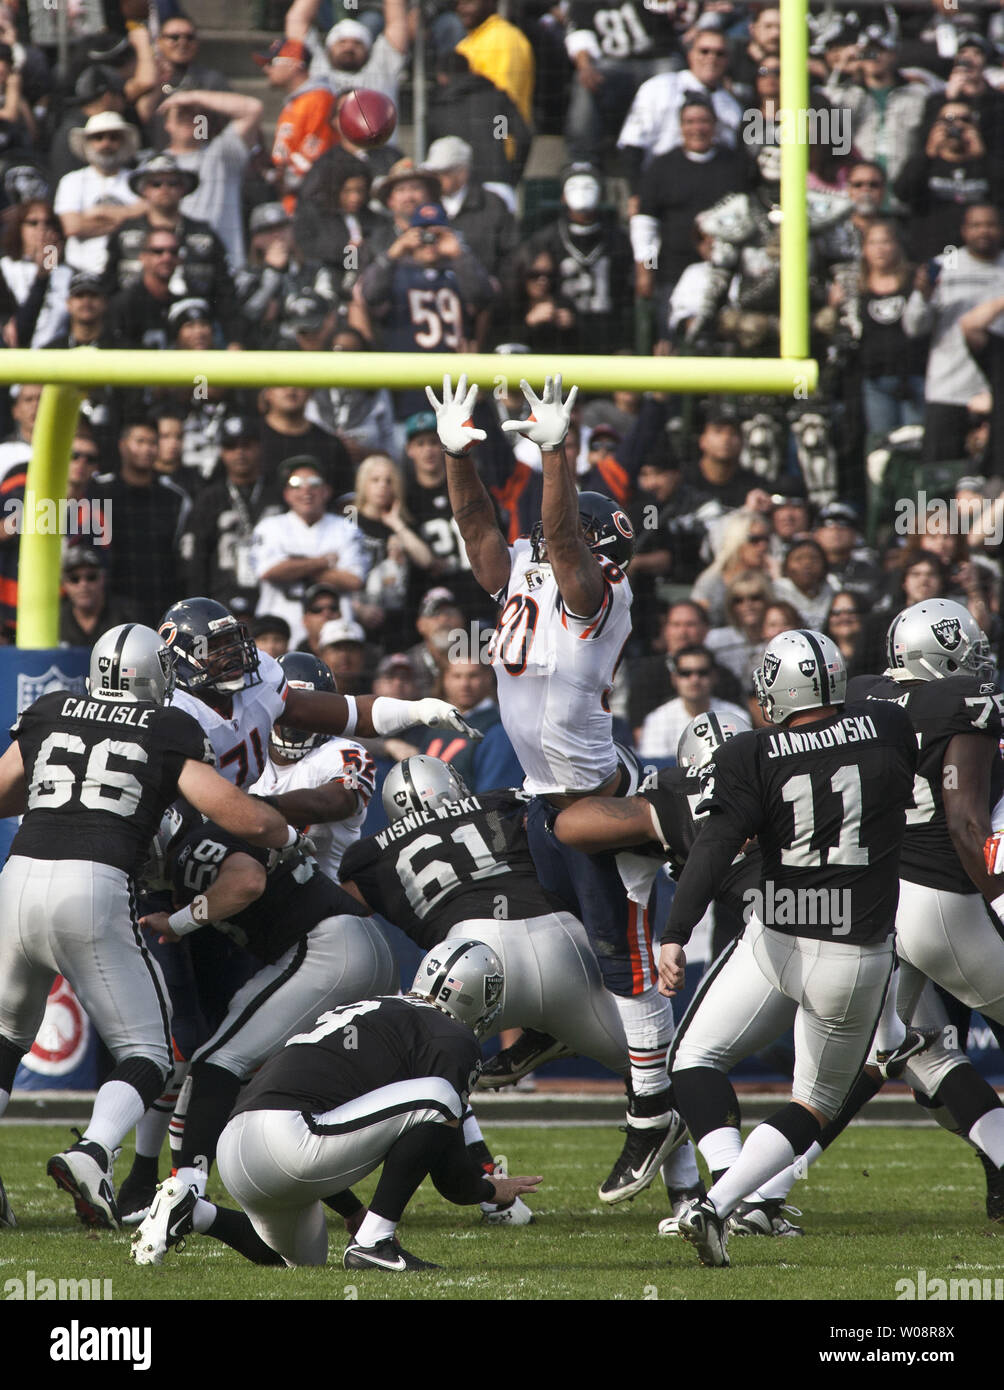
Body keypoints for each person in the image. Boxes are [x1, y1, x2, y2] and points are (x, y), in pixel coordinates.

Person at [427, 372, 687, 1206]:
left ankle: (653, 1111)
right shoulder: (529, 579)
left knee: (627, 963)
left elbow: (565, 541)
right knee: (557, 926)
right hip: (547, 798)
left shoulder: (598, 591)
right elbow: (476, 530)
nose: (537, 546)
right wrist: (457, 456)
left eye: (556, 532)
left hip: (591, 797)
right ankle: (550, 1030)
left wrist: (556, 451)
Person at [0, 623, 294, 1229]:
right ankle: (92, 1151)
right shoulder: (167, 727)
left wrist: (61, 798)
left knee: (5, 1040)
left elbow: (5, 789)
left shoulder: (50, 709)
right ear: (151, 674)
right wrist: (283, 834)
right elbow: (233, 812)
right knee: (149, 1054)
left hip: (17, 878)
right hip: (93, 886)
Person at [658, 629, 917, 1266]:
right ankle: (726, 1204)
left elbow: (716, 846)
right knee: (815, 1104)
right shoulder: (887, 726)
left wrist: (675, 930)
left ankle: (725, 1196)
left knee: (692, 1057)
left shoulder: (752, 750)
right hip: (852, 953)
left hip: (774, 933)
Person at [130, 943, 540, 1272]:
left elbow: (327, 1110)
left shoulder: (381, 1013)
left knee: (300, 1262)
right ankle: (374, 1243)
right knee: (439, 1097)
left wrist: (354, 1208)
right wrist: (489, 1189)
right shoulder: (449, 1035)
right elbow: (449, 1172)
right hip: (290, 1137)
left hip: (241, 1141)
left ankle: (194, 1212)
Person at [250, 456, 369, 646]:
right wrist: (322, 562)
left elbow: (354, 580)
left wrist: (293, 565)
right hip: (279, 634)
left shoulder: (346, 528)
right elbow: (268, 571)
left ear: (327, 491)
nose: (306, 490)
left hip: (334, 636)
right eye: (296, 484)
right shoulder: (269, 527)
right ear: (286, 494)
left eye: (314, 483)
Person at [53, 111, 145, 276]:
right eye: (98, 138)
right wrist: (127, 219)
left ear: (123, 142)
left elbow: (147, 215)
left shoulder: (138, 179)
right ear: (87, 143)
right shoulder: (71, 181)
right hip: (81, 272)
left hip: (128, 270)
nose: (106, 144)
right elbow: (73, 226)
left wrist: (99, 213)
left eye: (113, 138)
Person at [253, 38, 335, 214]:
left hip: (311, 205)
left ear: (294, 64)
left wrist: (278, 177)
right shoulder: (296, 102)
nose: (266, 69)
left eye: (272, 63)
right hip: (290, 204)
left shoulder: (319, 99)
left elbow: (313, 161)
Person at [637, 643, 750, 760]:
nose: (695, 679)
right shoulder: (657, 720)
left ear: (714, 676)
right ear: (674, 679)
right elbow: (653, 767)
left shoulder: (736, 716)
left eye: (702, 672)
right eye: (685, 673)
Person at [58, 546, 138, 647]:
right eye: (74, 579)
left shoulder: (128, 616)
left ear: (102, 578)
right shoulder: (57, 620)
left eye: (91, 577)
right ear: (64, 584)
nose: (83, 584)